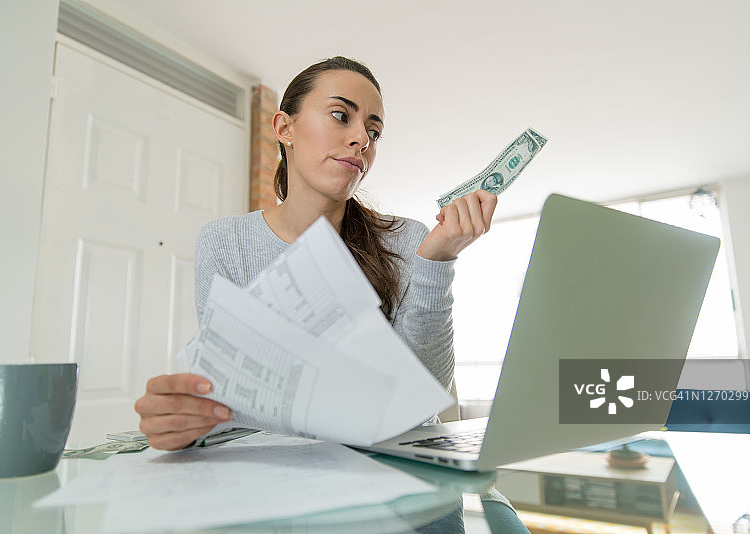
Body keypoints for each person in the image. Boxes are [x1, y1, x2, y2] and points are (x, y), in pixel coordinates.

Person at [135, 56, 498, 451]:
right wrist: (189, 422)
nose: (362, 139)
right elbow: (232, 398)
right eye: (341, 115)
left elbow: (425, 394)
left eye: (373, 132)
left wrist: (437, 263)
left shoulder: (408, 240)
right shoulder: (225, 243)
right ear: (284, 128)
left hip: (393, 470)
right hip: (283, 476)